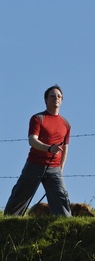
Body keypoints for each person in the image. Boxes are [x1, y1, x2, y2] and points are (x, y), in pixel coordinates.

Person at [5, 85, 72, 216]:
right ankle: (8, 222)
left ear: (62, 100)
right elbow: (32, 140)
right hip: (34, 164)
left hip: (54, 169)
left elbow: (65, 148)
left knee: (61, 197)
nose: (56, 99)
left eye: (59, 96)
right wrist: (49, 148)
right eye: (52, 96)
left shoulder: (66, 124)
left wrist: (61, 168)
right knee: (20, 195)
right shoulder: (38, 118)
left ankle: (65, 225)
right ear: (46, 100)